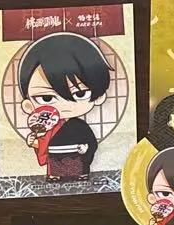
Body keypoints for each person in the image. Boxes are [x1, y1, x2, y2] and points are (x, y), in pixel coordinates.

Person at [18, 33, 112, 182]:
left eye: (80, 94)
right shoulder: (47, 125)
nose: (63, 104)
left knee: (76, 167)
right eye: (47, 98)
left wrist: (86, 148)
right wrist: (34, 142)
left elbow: (91, 142)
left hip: (75, 156)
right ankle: (56, 175)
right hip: (56, 157)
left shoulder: (79, 125)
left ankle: (79, 174)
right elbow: (44, 145)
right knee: (57, 167)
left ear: (99, 96)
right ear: (29, 105)